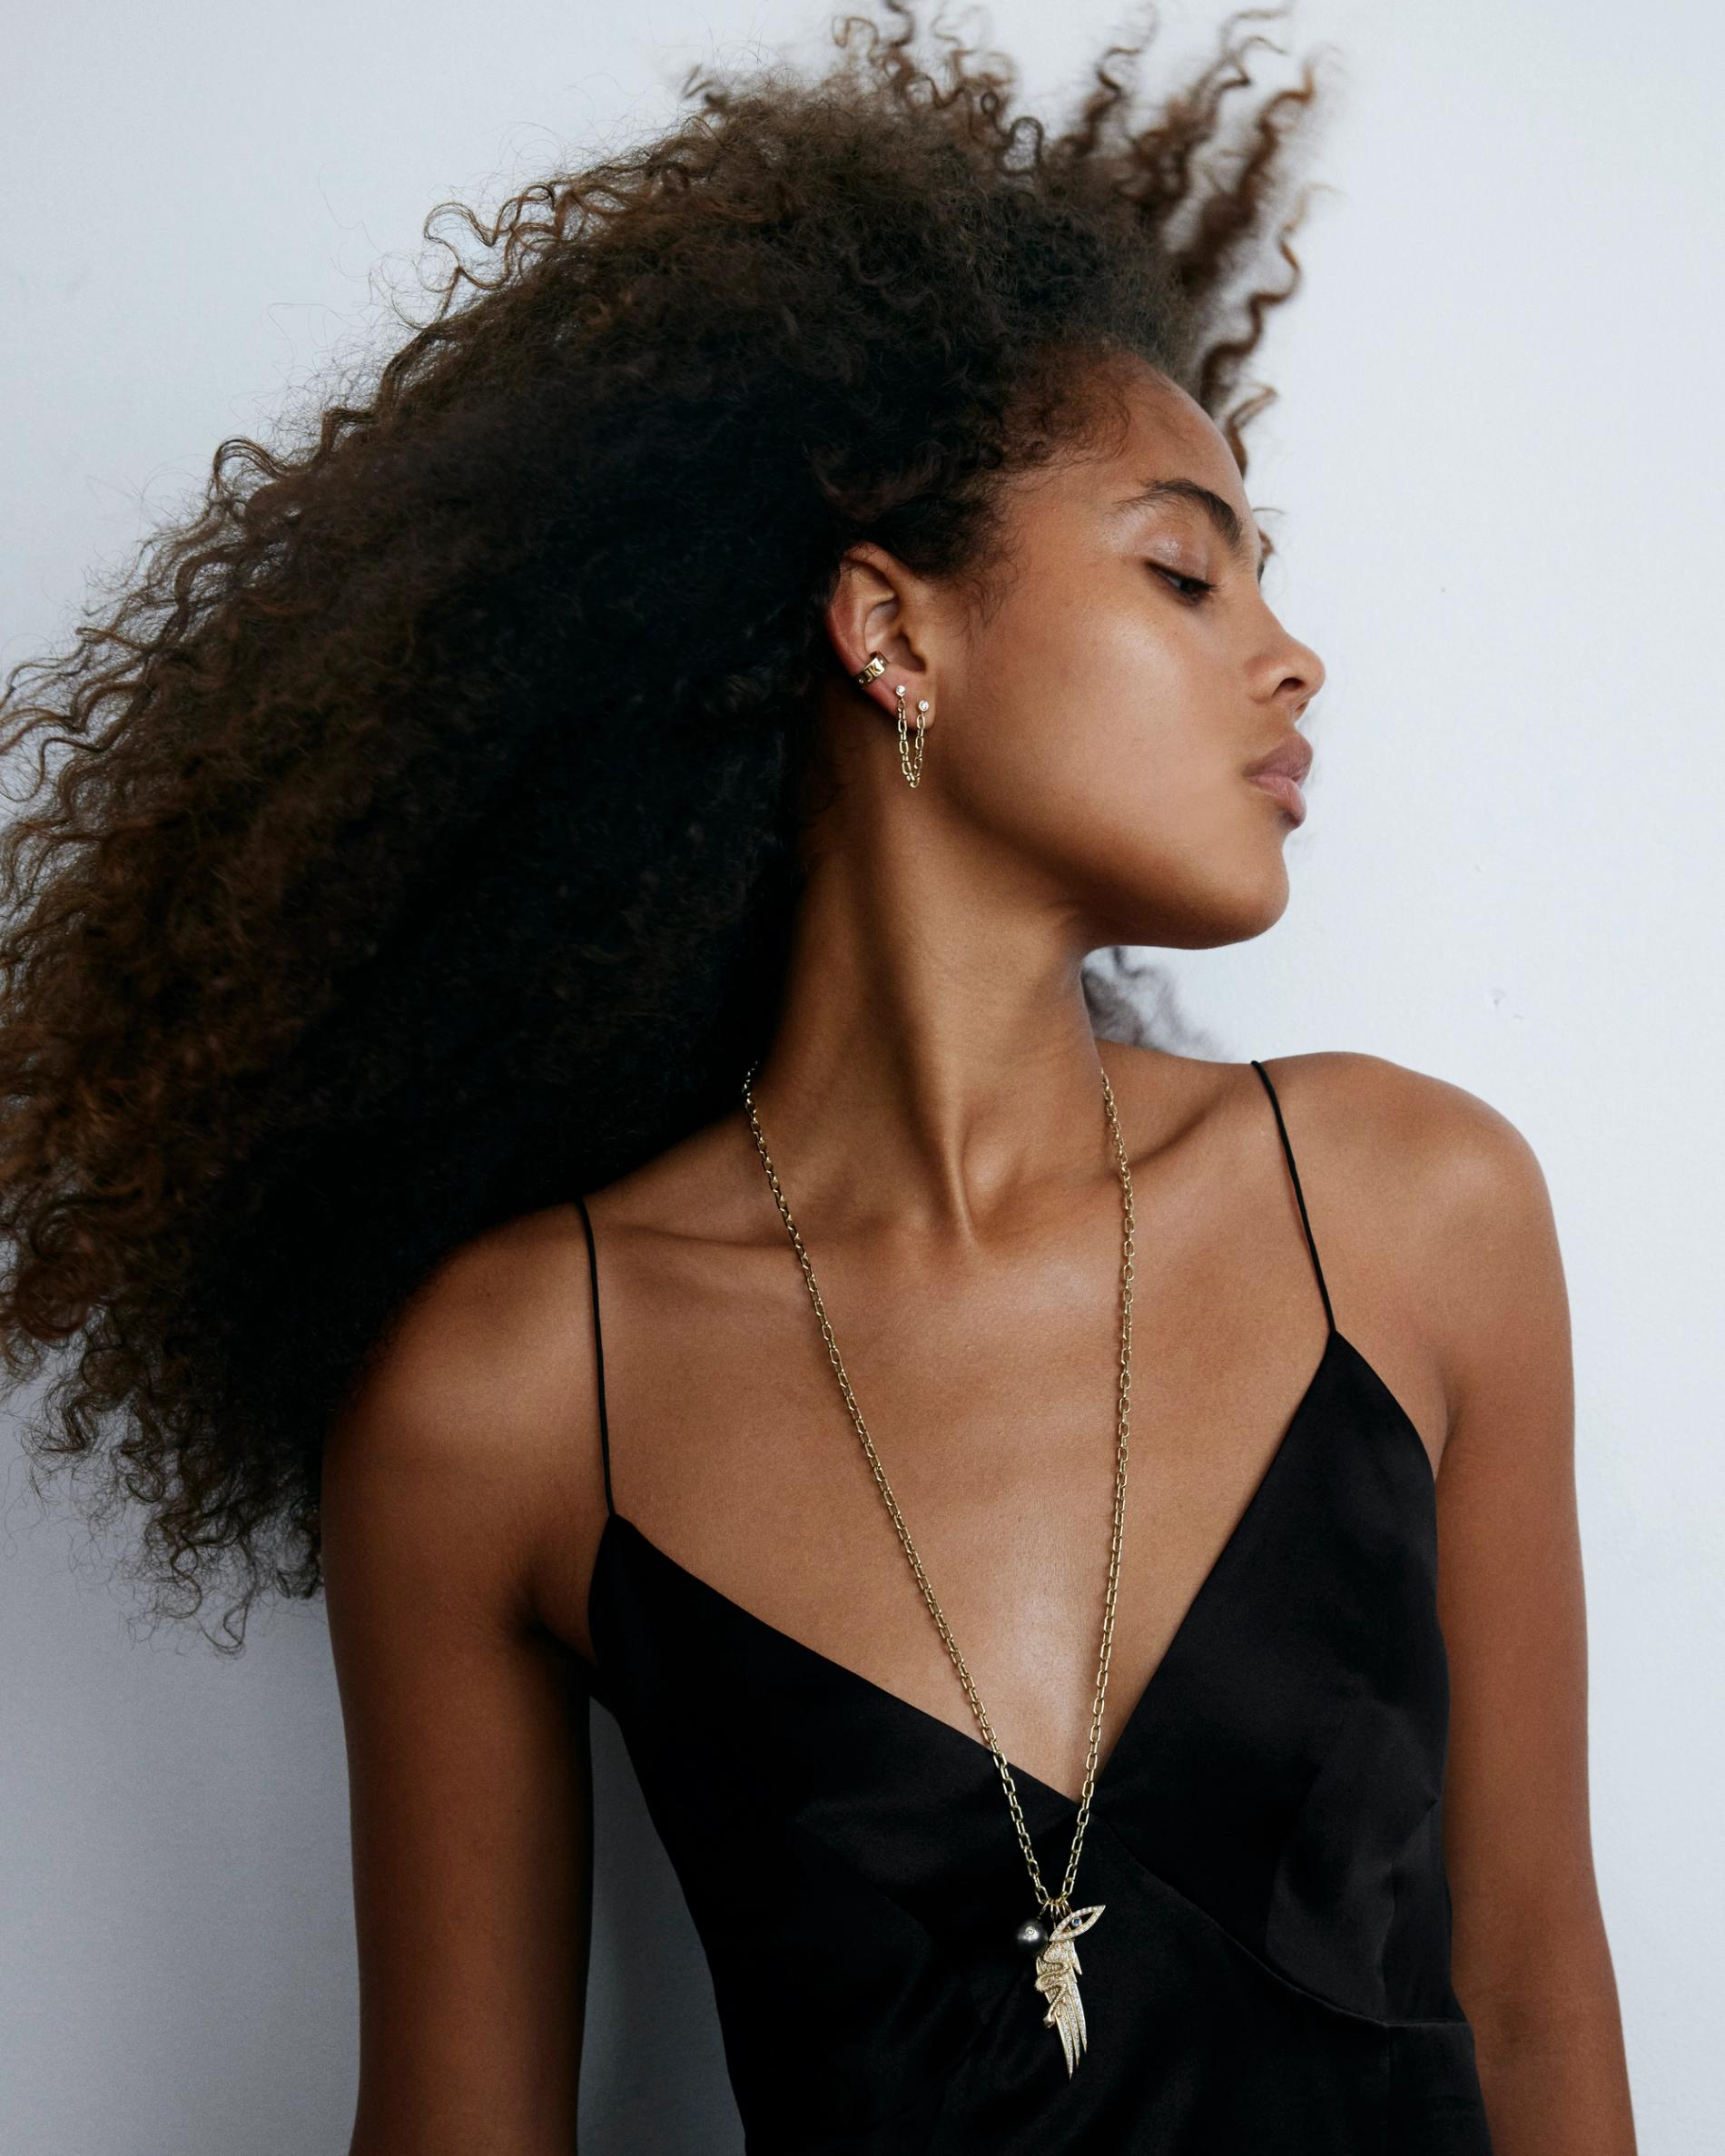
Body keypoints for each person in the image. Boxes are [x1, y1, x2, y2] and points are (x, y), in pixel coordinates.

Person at [0, 4, 1636, 2149]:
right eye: (1179, 564)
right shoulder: (506, 1397)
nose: (1284, 649)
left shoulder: (1413, 1211)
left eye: (1264, 573)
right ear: (893, 631)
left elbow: (1531, 1996)